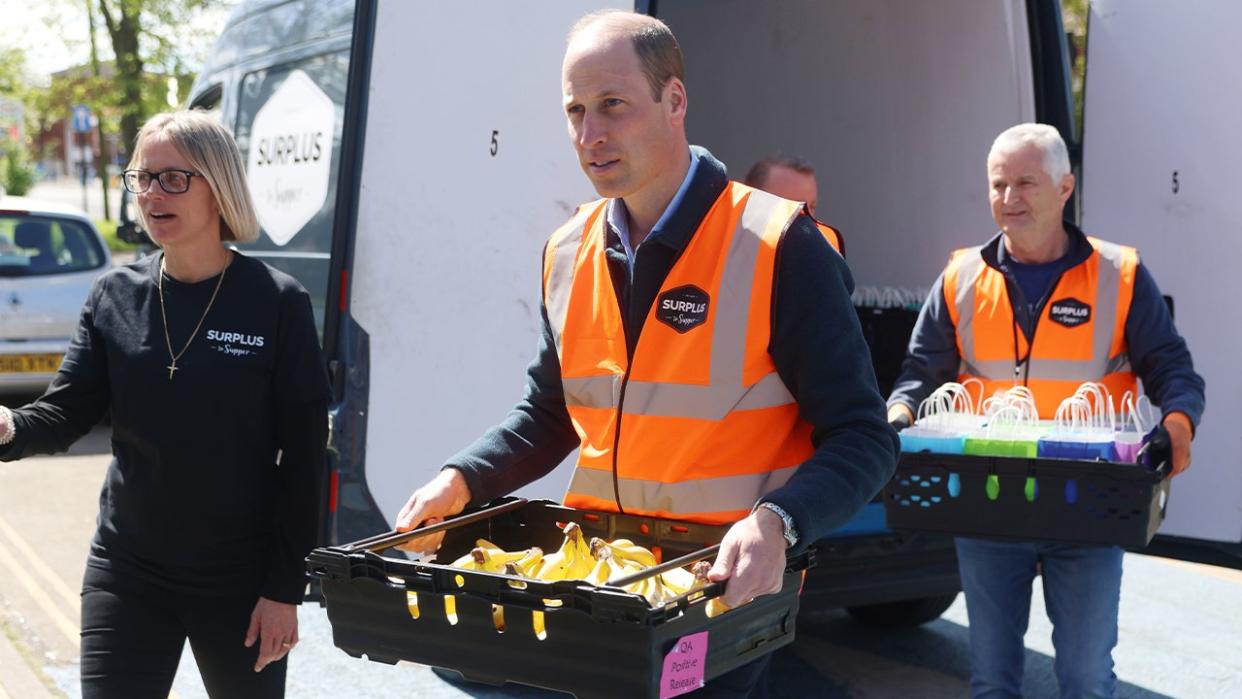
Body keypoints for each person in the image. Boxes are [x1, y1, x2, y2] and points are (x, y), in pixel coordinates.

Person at [394, 10, 897, 697]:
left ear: (675, 101)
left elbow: (864, 438)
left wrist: (780, 522)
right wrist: (464, 477)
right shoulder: (567, 249)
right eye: (575, 110)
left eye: (612, 106)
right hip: (602, 590)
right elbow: (551, 414)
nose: (589, 134)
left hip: (720, 597)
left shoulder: (782, 246)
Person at [0, 110, 330, 699]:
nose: (153, 193)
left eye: (174, 178)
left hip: (239, 577)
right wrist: (7, 427)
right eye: (142, 178)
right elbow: (65, 412)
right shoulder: (114, 295)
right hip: (128, 568)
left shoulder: (277, 303)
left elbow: (305, 460)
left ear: (219, 185)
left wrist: (284, 590)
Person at [887, 123, 1205, 699]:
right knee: (993, 681)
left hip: (1088, 503)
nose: (1009, 199)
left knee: (1086, 679)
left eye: (1025, 183)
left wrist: (1176, 425)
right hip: (987, 501)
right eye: (998, 184)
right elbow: (919, 374)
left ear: (1065, 187)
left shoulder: (1119, 275)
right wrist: (900, 416)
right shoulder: (960, 278)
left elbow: (1174, 370)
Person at [744, 155, 844, 255]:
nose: (808, 219)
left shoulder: (822, 260)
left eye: (812, 207)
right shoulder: (733, 255)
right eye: (794, 207)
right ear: (753, 202)